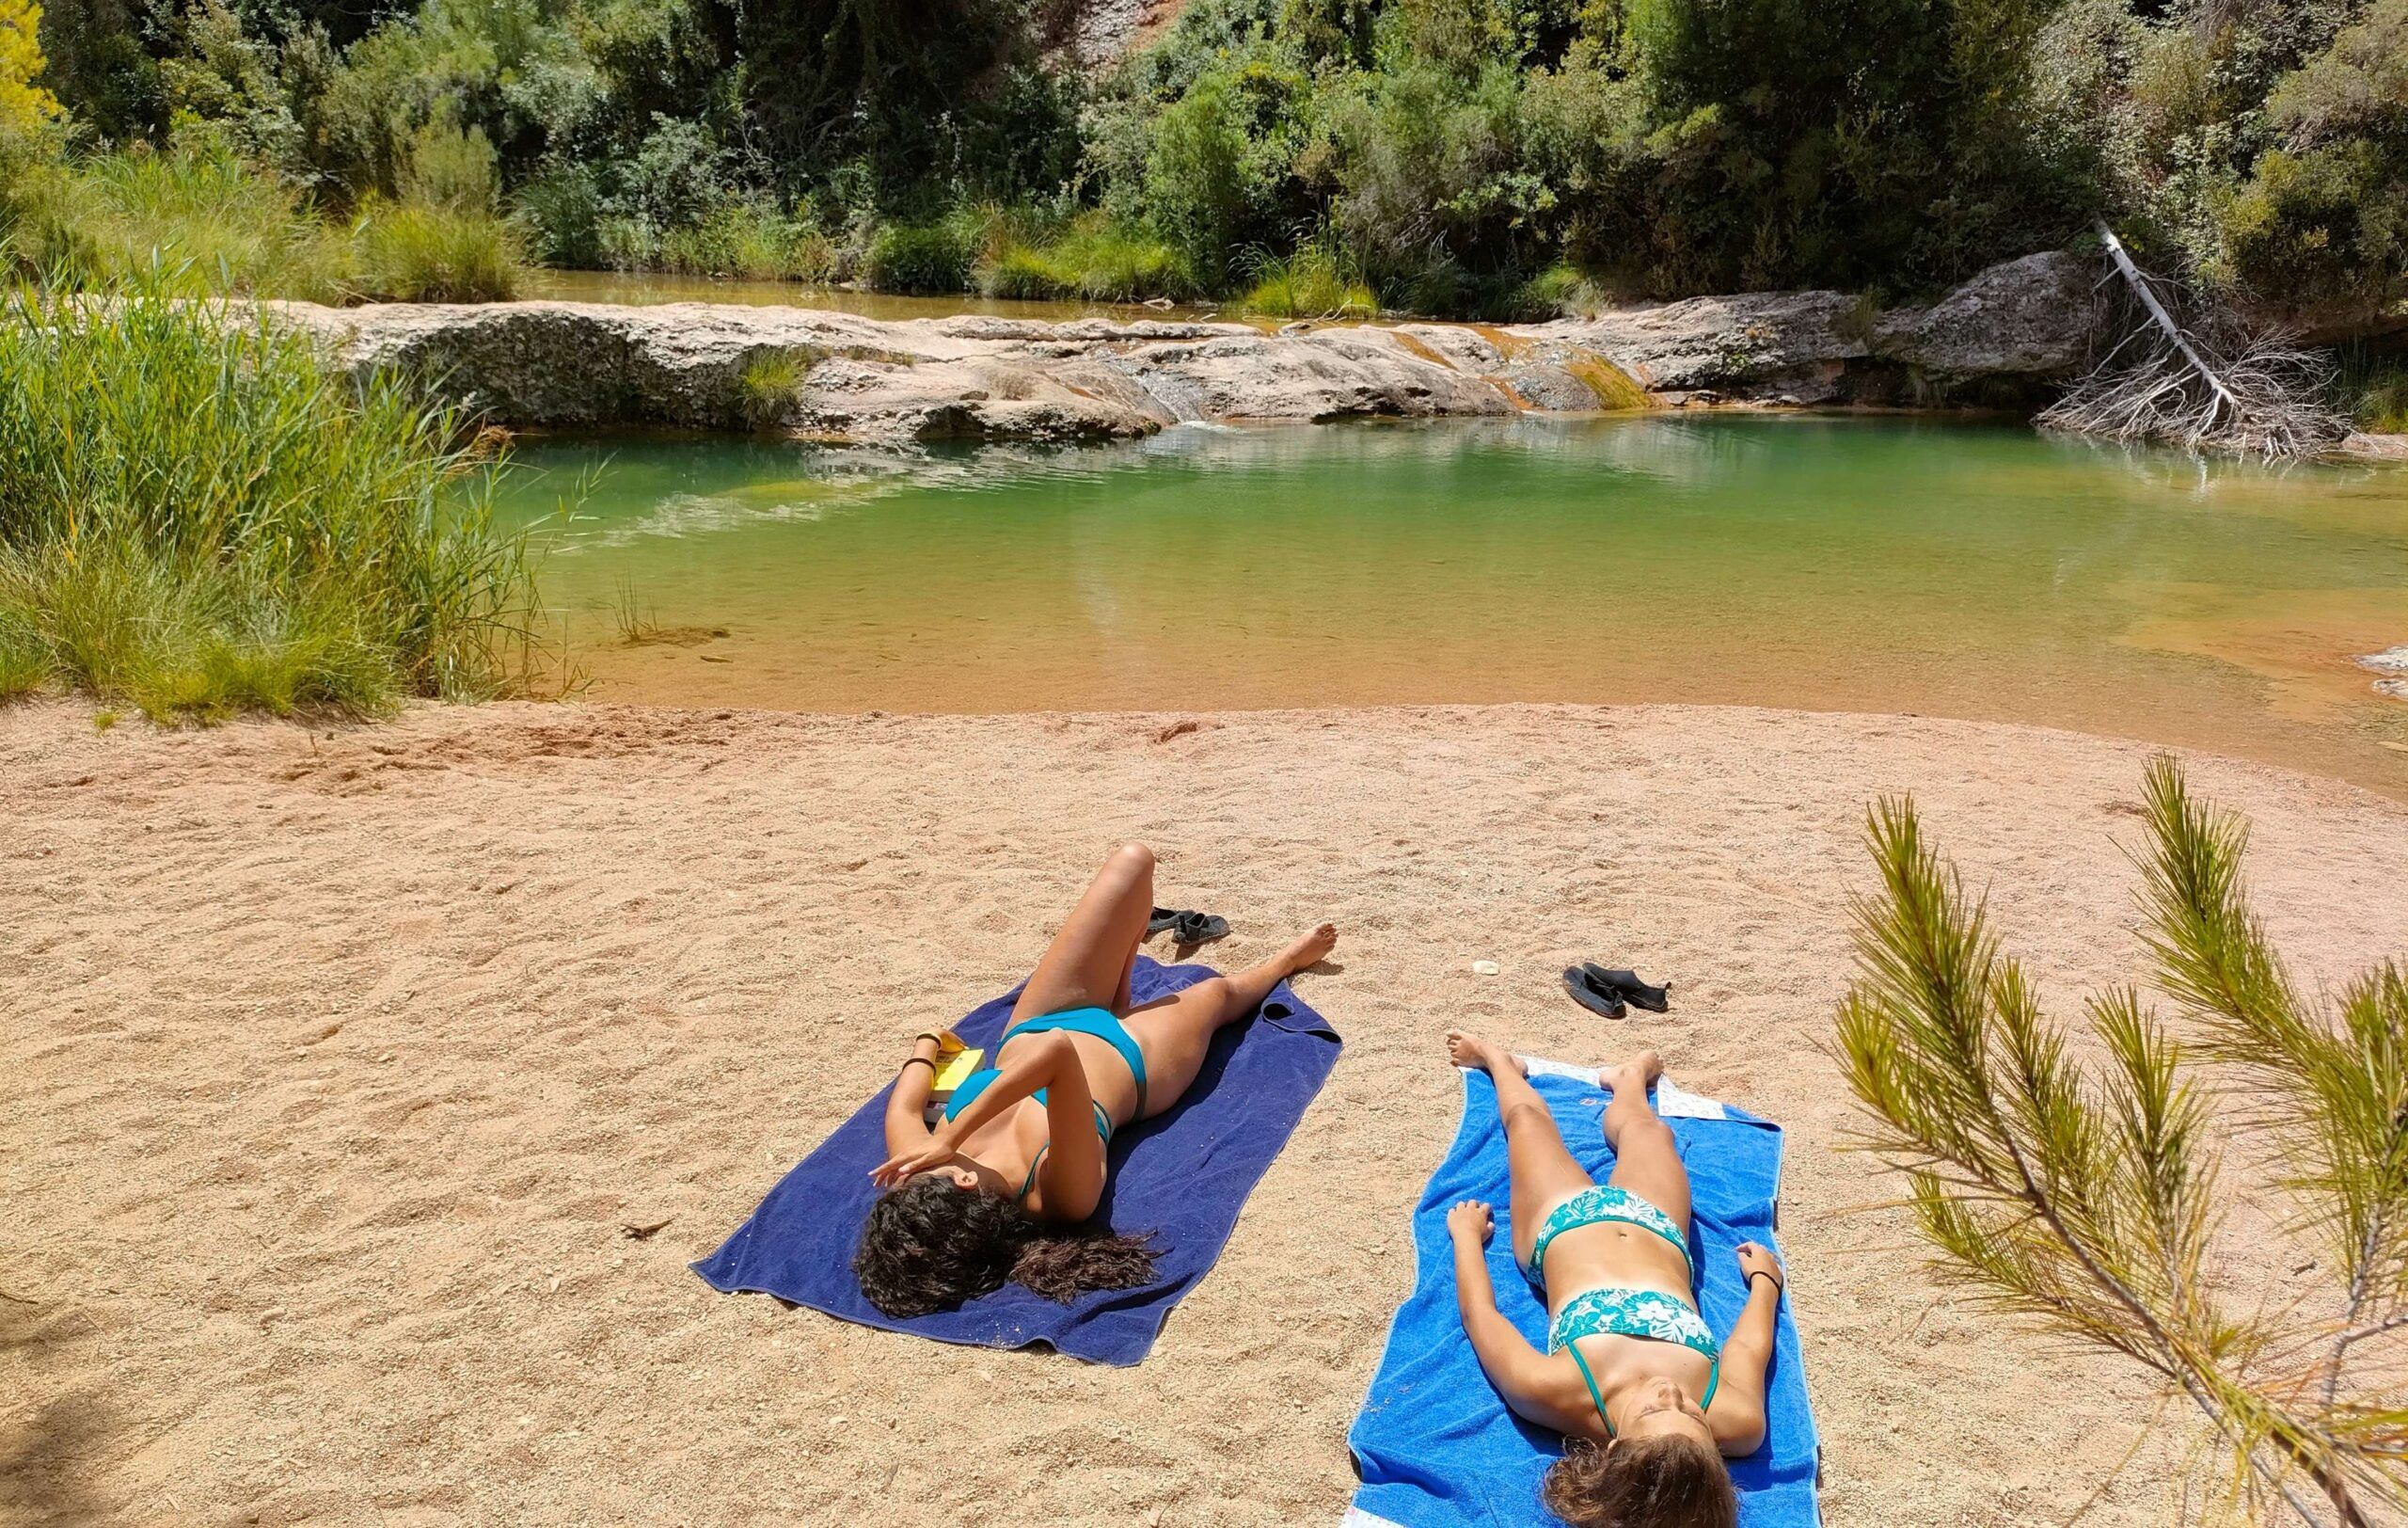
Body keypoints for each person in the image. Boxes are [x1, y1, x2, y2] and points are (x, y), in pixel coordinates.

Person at [853, 842, 1338, 1317]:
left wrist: (926, 1044)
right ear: (961, 1182)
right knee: (1220, 994)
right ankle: (1287, 960)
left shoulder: (916, 1171)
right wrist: (952, 1135)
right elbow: (1058, 1057)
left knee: (1134, 860)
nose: (908, 1177)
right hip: (1135, 1058)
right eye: (920, 1179)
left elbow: (904, 1109)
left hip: (1035, 1023)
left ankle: (1119, 977)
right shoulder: (1059, 1195)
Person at [1442, 1033, 1782, 1528]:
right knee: (1651, 1135)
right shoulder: (1740, 1422)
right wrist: (1765, 1287)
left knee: (1528, 1123)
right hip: (1658, 1226)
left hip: (1560, 1223)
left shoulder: (1555, 1389)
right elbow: (1748, 1351)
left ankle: (1498, 1062)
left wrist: (1467, 1240)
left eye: (1654, 1412)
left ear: (1616, 1445)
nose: (1671, 1393)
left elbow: (1482, 1318)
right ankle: (1626, 1083)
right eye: (1692, 1415)